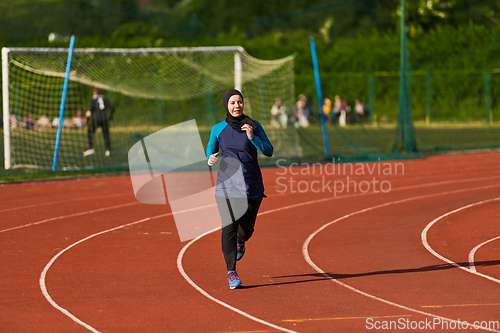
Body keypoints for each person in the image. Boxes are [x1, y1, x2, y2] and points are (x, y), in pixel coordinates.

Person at [206, 89, 273, 289]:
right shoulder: (218, 129)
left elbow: (268, 151)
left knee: (246, 229)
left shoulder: (254, 125)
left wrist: (252, 136)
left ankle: (241, 241)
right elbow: (211, 147)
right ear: (227, 105)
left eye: (240, 102)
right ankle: (231, 272)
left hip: (251, 184)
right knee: (229, 227)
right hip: (227, 186)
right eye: (233, 103)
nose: (237, 106)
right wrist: (210, 157)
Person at [84, 87, 115, 157]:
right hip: (104, 119)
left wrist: (86, 119)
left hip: (96, 119)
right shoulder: (104, 98)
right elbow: (112, 107)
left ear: (94, 93)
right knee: (106, 134)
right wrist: (111, 116)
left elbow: (89, 112)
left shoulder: (93, 99)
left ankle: (91, 148)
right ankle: (108, 150)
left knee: (90, 132)